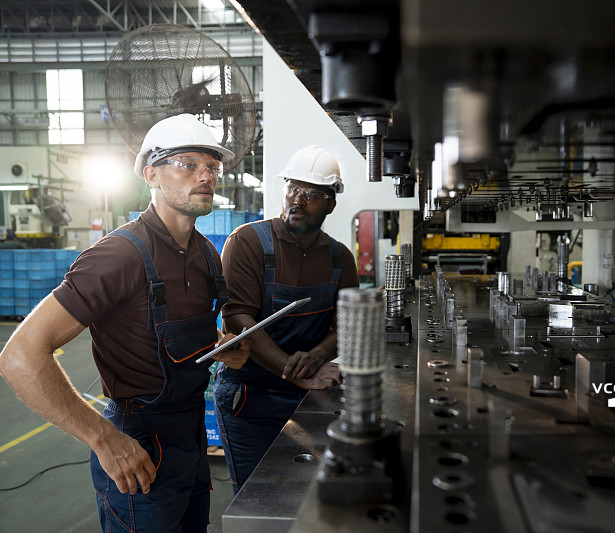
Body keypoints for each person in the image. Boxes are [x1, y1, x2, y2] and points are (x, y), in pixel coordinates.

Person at [0, 113, 251, 533]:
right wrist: (103, 438)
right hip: (139, 444)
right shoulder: (119, 255)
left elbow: (185, 338)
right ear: (151, 173)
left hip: (191, 434)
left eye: (212, 166)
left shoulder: (206, 253)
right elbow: (19, 356)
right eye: (188, 164)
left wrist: (225, 346)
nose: (205, 176)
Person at [214, 145, 357, 494]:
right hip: (250, 397)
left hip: (309, 395)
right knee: (257, 498)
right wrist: (292, 370)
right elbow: (237, 319)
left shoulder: (340, 258)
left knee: (308, 493)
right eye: (292, 188)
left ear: (331, 204)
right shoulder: (248, 242)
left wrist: (318, 357)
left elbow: (347, 324)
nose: (298, 199)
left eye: (311, 194)